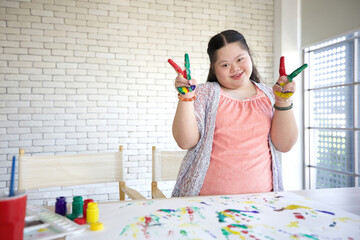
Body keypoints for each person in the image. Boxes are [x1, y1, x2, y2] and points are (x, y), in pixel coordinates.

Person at [171, 30, 298, 197]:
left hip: (262, 202)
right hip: (205, 203)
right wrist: (186, 97)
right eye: (225, 65)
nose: (235, 68)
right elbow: (185, 142)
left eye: (240, 59)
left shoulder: (270, 95)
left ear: (250, 56)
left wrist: (282, 101)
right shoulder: (204, 93)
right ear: (213, 68)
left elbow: (284, 145)